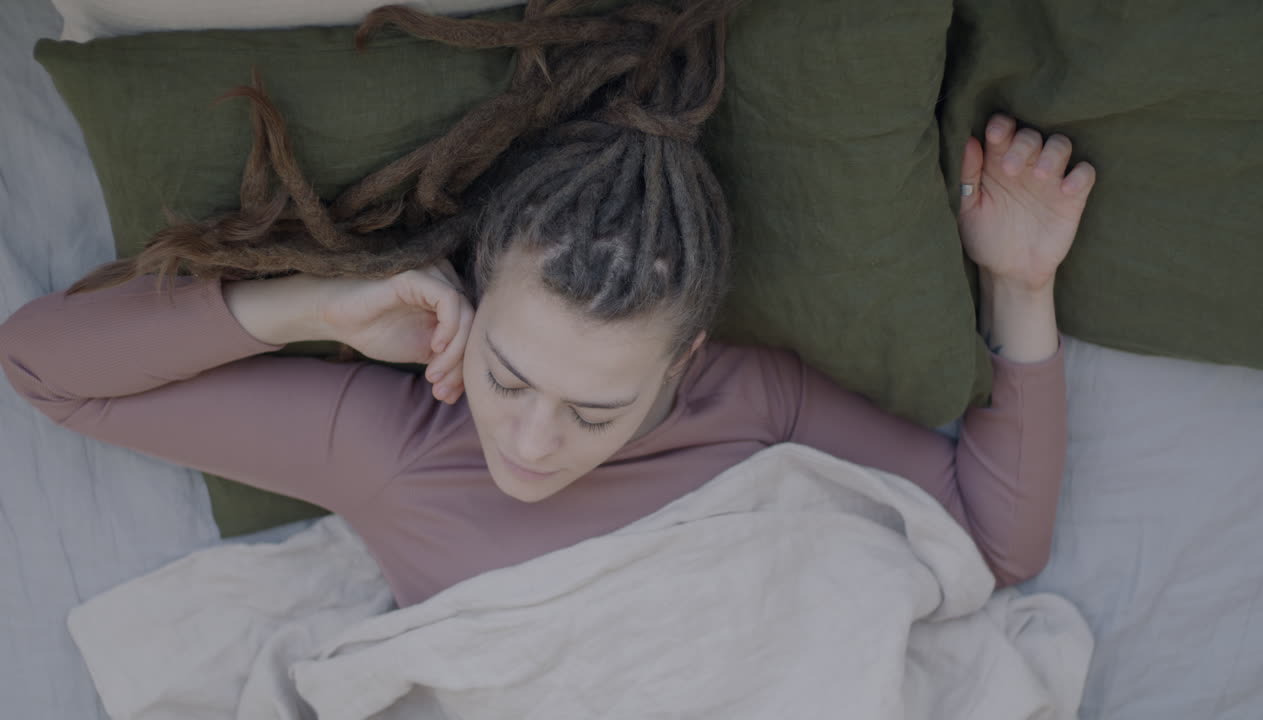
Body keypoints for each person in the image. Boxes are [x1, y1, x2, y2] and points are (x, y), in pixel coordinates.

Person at [0, 1, 1094, 609]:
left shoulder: (750, 400)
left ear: (682, 367)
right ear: (471, 310)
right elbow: (43, 367)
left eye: (596, 410)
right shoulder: (389, 447)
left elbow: (995, 541)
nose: (529, 441)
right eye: (508, 378)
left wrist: (1018, 281)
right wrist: (318, 307)